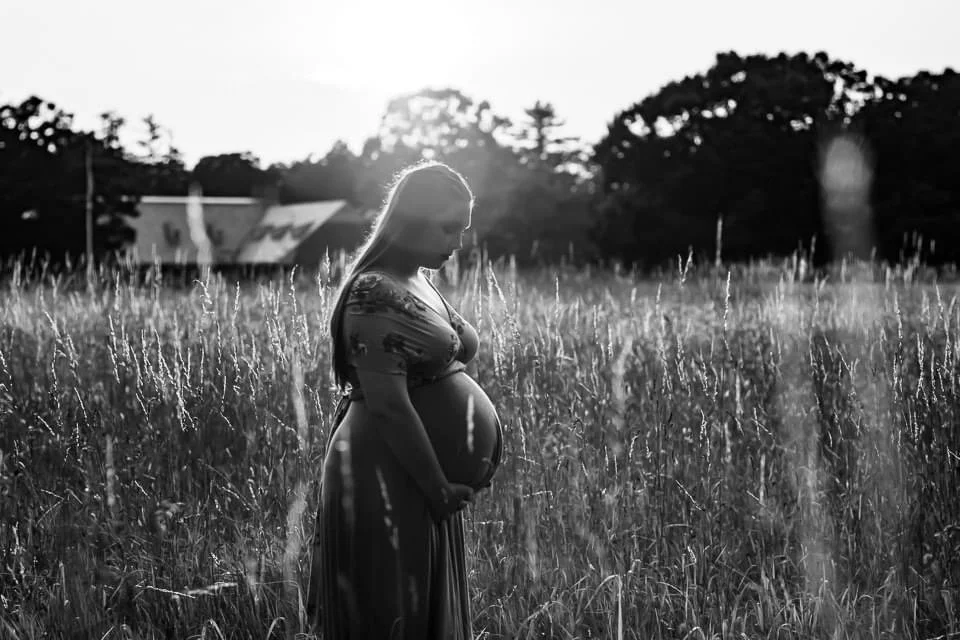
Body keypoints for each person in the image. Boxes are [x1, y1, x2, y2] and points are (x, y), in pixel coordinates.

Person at [307, 161, 504, 639]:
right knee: (391, 611)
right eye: (448, 227)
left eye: (463, 229)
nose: (458, 242)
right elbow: (389, 405)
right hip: (388, 474)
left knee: (420, 611)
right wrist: (437, 486)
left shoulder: (416, 279)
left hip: (419, 477)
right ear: (411, 219)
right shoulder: (373, 291)